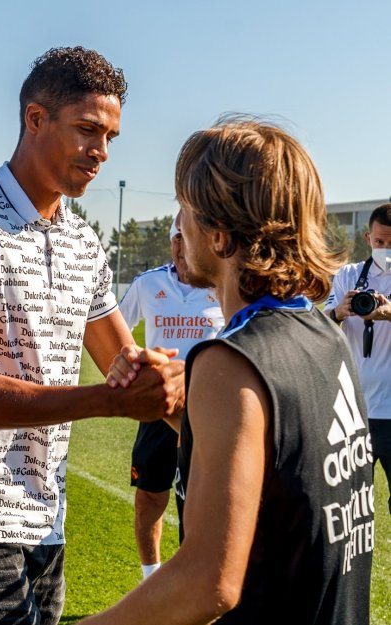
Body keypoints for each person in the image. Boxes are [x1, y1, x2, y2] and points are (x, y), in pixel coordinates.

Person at [0, 46, 184, 625]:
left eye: (110, 137)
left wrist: (187, 400)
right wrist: (109, 401)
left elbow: (123, 362)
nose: (101, 153)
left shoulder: (83, 242)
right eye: (88, 130)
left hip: (46, 514)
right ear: (36, 118)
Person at [78, 116, 374, 625]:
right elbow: (278, 468)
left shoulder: (230, 359)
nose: (178, 228)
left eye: (185, 212)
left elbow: (206, 583)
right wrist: (177, 408)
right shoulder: (323, 333)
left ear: (219, 235)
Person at [119, 219, 224, 579]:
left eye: (188, 238)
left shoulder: (223, 286)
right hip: (158, 409)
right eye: (176, 239)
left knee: (201, 503)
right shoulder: (149, 284)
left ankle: (198, 580)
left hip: (208, 411)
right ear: (171, 244)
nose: (182, 247)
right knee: (150, 496)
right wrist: (135, 366)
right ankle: (151, 577)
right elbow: (114, 328)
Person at [324, 203, 391, 514]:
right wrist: (340, 311)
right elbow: (320, 328)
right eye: (380, 242)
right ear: (368, 237)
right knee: (348, 505)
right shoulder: (348, 275)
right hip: (353, 410)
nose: (386, 248)